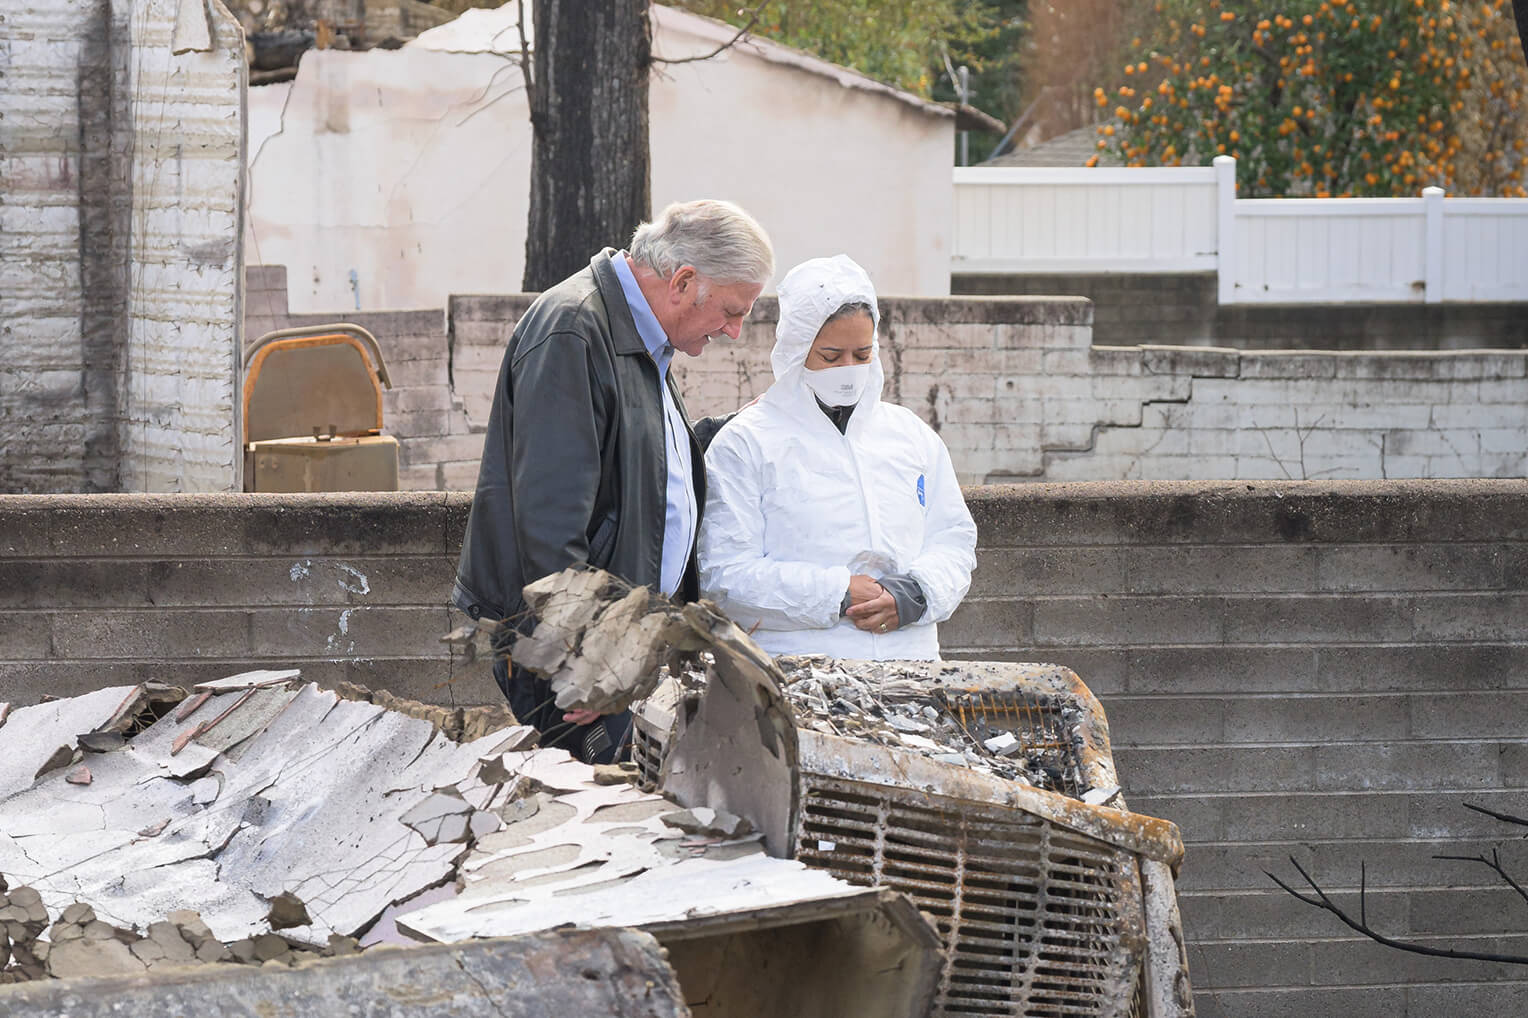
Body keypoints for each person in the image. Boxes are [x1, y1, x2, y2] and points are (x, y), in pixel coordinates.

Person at [453, 199, 774, 762]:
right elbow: (549, 528)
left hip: (615, 640)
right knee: (590, 826)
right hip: (572, 651)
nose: (735, 330)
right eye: (731, 310)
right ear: (683, 281)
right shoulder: (575, 330)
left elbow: (636, 462)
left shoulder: (633, 332)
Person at [698, 255, 977, 660]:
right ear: (797, 349)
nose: (848, 369)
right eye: (831, 356)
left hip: (911, 666)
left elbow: (953, 539)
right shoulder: (746, 443)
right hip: (796, 672)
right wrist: (837, 593)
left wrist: (915, 593)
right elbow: (725, 575)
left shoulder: (910, 436)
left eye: (862, 355)